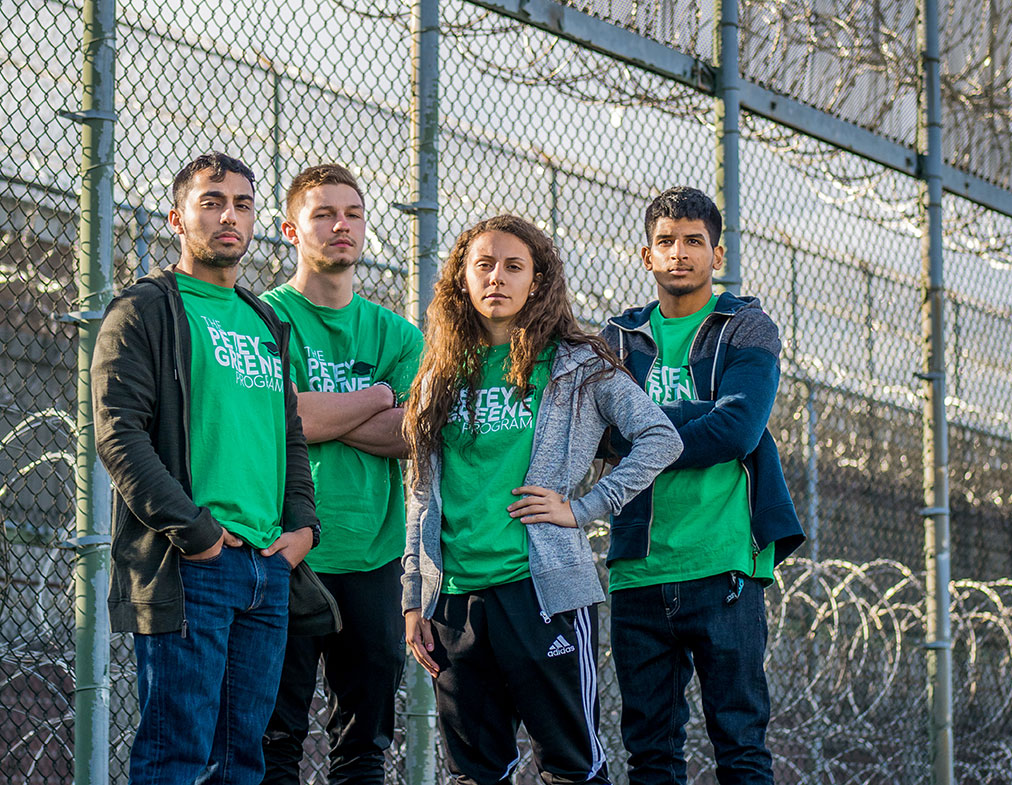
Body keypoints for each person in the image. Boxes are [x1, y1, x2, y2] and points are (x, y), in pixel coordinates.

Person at [402, 214, 682, 785]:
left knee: (571, 767)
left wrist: (583, 508)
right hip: (454, 600)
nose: (497, 278)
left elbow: (661, 437)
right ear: (461, 279)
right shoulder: (439, 374)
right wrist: (414, 598)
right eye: (484, 265)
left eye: (514, 267)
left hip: (542, 592)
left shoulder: (576, 364)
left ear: (537, 281)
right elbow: (421, 494)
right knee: (474, 774)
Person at [92, 152, 331, 785]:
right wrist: (196, 533)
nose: (230, 216)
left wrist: (303, 528)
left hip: (267, 567)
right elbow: (119, 435)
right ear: (177, 218)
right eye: (212, 202)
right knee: (175, 757)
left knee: (243, 763)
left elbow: (288, 434)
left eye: (242, 205)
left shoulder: (264, 319)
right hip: (193, 562)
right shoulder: (145, 309)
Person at [600, 187, 805, 785]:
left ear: (716, 255)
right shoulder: (617, 339)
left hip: (722, 565)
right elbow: (602, 434)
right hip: (638, 566)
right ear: (647, 256)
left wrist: (645, 430)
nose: (680, 253)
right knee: (650, 753)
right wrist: (698, 414)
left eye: (694, 241)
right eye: (666, 242)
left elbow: (737, 429)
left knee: (739, 747)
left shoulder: (745, 327)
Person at [260, 164, 423, 785]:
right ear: (291, 230)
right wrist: (376, 397)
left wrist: (313, 413)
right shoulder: (263, 318)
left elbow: (414, 433)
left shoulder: (396, 333)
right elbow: (274, 417)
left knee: (363, 752)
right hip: (284, 548)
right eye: (324, 214)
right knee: (273, 742)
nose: (341, 226)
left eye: (352, 214)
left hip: (373, 557)